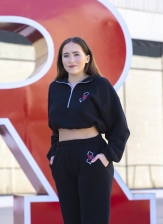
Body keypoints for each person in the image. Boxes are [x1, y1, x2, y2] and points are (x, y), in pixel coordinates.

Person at [47, 36, 130, 224]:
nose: (71, 60)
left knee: (94, 220)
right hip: (63, 158)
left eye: (77, 54)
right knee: (71, 220)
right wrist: (54, 155)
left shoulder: (99, 85)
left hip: (92, 155)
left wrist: (107, 155)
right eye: (66, 55)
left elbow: (119, 128)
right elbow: (55, 128)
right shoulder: (55, 88)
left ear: (87, 58)